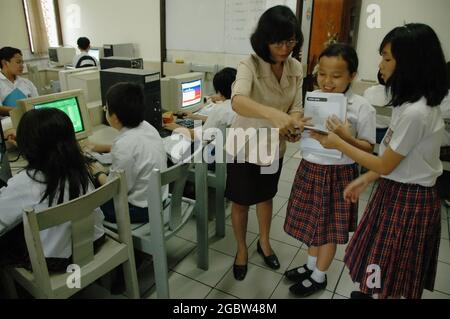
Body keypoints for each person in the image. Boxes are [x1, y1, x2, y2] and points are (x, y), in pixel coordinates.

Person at [312, 23, 447, 299]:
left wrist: (339, 142)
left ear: (410, 63)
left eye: (387, 57)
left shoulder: (417, 113)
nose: (381, 64)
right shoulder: (407, 105)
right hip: (394, 190)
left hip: (409, 199)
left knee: (393, 261)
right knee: (379, 254)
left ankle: (378, 294)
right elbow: (392, 158)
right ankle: (373, 292)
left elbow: (385, 163)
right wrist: (365, 178)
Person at [224, 5, 310, 281]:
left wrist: (293, 124)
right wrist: (275, 115)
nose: (285, 48)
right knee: (240, 202)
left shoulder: (296, 67)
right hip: (244, 146)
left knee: (265, 196)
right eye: (277, 41)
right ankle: (241, 250)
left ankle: (264, 243)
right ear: (264, 40)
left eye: (290, 40)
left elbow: (297, 106)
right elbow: (237, 101)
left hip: (273, 147)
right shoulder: (248, 64)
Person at [283, 43, 376, 297]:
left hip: (338, 174)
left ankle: (319, 276)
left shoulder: (361, 107)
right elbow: (305, 134)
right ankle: (311, 266)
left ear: (352, 76)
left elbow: (368, 149)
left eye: (336, 76)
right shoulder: (313, 98)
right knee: (313, 224)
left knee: (329, 230)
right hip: (310, 168)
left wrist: (345, 137)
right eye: (322, 74)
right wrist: (296, 131)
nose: (327, 81)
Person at [0, 108, 105, 272]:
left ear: (27, 145)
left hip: (59, 261)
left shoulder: (27, 182)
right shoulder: (80, 167)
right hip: (94, 240)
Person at [87, 82, 167, 223]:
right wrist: (101, 147)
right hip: (160, 198)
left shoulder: (124, 145)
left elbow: (116, 190)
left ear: (115, 117)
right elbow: (135, 149)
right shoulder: (147, 127)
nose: (105, 111)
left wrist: (98, 173)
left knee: (92, 199)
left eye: (106, 108)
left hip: (141, 210)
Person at [164, 67, 238, 140]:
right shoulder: (239, 106)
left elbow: (202, 137)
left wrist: (177, 128)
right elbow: (220, 122)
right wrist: (194, 116)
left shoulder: (220, 109)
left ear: (219, 91)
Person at [0, 47, 38, 116]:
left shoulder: (27, 83)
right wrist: (24, 110)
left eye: (22, 62)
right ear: (5, 63)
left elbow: (37, 103)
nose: (22, 66)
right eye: (18, 62)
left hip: (30, 121)